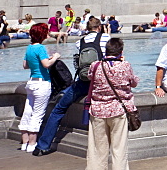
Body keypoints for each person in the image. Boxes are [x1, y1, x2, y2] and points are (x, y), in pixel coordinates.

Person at [34, 16, 111, 156]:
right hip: (101, 83)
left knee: (58, 110)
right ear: (99, 27)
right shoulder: (106, 38)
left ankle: (42, 145)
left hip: (83, 82)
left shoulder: (79, 42)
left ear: (87, 28)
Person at [83, 37, 137, 170]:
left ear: (105, 50)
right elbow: (134, 82)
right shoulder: (125, 66)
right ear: (121, 52)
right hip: (118, 111)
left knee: (96, 149)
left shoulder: (95, 65)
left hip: (98, 111)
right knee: (118, 148)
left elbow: (89, 77)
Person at [20, 23, 60, 152]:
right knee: (37, 114)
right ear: (42, 34)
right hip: (42, 84)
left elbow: (25, 65)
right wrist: (55, 57)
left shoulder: (29, 47)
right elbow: (46, 64)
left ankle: (24, 143)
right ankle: (32, 144)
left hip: (31, 82)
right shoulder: (41, 48)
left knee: (27, 112)